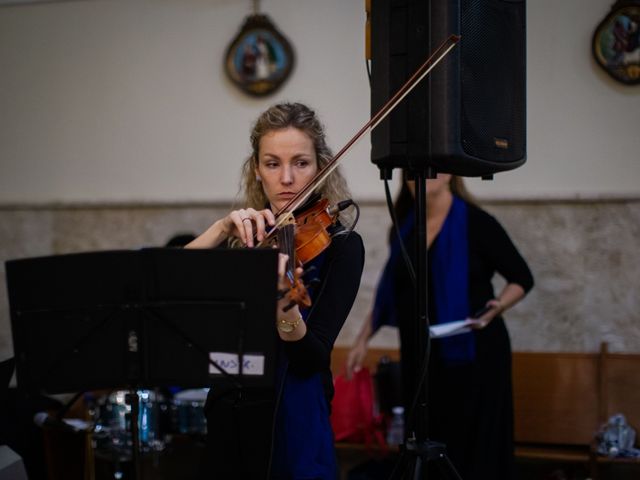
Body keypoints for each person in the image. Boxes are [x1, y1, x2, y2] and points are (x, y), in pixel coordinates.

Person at [186, 102, 365, 479]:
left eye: (300, 162)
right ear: (257, 169)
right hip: (229, 413)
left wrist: (285, 303)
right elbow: (168, 279)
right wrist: (220, 229)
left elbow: (311, 359)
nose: (287, 178)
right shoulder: (243, 238)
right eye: (272, 163)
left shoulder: (341, 246)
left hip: (292, 415)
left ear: (321, 166)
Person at [346, 172, 533, 480]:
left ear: (450, 175)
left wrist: (495, 309)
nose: (420, 177)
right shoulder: (403, 227)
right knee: (425, 441)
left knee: (473, 449)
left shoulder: (478, 222)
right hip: (422, 359)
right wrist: (362, 339)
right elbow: (391, 292)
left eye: (433, 169)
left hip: (474, 356)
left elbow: (522, 278)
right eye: (411, 172)